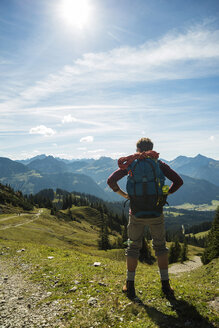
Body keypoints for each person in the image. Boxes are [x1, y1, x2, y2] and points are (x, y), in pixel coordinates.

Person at [107, 138, 183, 300]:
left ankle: (130, 284)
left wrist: (124, 195)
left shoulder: (130, 164)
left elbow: (111, 180)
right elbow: (178, 181)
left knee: (133, 248)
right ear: (151, 148)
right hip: (156, 212)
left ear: (137, 149)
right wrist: (165, 194)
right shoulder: (159, 164)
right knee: (161, 248)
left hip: (136, 213)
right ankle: (165, 285)